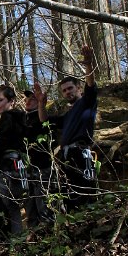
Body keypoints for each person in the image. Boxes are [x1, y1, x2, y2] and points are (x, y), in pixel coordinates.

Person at [45, 45, 98, 205]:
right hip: (66, 156)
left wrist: (88, 64)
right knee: (71, 196)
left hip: (82, 153)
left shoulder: (87, 103)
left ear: (78, 88)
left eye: (70, 88)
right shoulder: (67, 115)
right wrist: (41, 102)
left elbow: (91, 86)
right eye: (64, 91)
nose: (68, 92)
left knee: (88, 193)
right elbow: (43, 120)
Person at [0, 84, 29, 237]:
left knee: (11, 208)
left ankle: (17, 243)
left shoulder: (7, 116)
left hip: (8, 167)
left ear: (11, 100)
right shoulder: (23, 116)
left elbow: (0, 144)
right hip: (22, 166)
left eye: (0, 100)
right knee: (26, 204)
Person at [23, 89, 56, 227]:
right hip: (27, 169)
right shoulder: (24, 119)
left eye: (32, 99)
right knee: (30, 207)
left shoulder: (44, 118)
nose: (28, 101)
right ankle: (34, 237)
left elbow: (47, 125)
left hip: (43, 168)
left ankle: (50, 237)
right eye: (27, 99)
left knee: (44, 207)